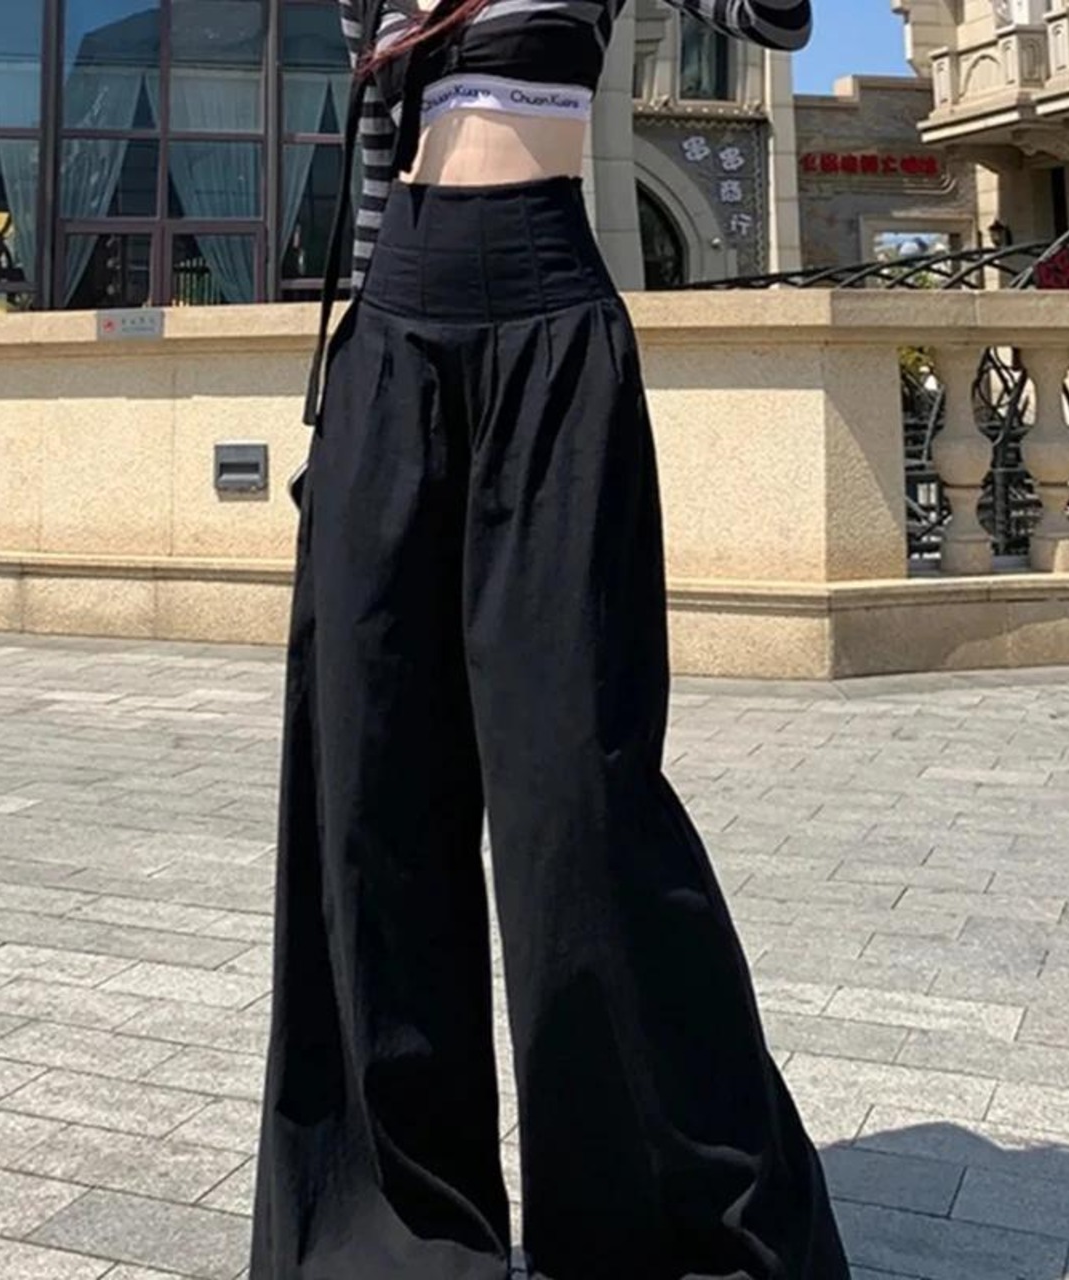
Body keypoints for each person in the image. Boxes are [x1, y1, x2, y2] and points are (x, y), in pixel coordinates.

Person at [251, 0, 851, 1276]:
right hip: (391, 340)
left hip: (549, 330)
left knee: (577, 801)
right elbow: (374, 159)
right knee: (369, 795)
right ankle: (397, 1232)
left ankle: (660, 1224)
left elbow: (775, 19)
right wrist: (360, 397)